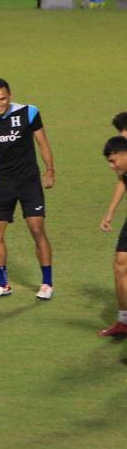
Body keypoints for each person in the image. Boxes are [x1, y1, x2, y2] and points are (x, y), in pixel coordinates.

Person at [0, 78, 56, 300]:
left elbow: (42, 142)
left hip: (29, 182)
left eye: (3, 98)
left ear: (10, 96)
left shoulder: (29, 112)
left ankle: (47, 283)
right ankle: (3, 284)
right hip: (4, 183)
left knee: (37, 230)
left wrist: (50, 169)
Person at [99, 135, 127, 336]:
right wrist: (110, 212)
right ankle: (123, 321)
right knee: (120, 264)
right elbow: (122, 182)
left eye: (112, 161)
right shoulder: (124, 170)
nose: (111, 166)